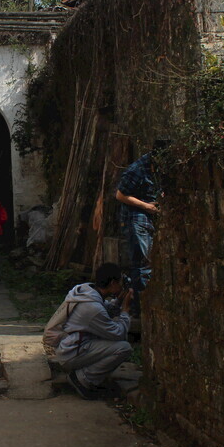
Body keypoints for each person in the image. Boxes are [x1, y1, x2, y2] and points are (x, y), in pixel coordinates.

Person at [49, 263, 133, 400]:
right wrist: (125, 311)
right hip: (73, 353)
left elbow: (104, 310)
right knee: (124, 348)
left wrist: (118, 301)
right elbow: (119, 334)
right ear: (112, 283)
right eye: (120, 282)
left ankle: (82, 373)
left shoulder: (86, 292)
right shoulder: (92, 307)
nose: (121, 285)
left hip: (69, 347)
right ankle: (82, 379)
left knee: (114, 343)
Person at [114, 149, 162, 316]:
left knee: (144, 264)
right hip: (136, 219)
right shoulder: (137, 170)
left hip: (147, 219)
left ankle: (138, 306)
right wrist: (146, 206)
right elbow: (120, 195)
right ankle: (139, 310)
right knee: (141, 265)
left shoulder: (156, 168)